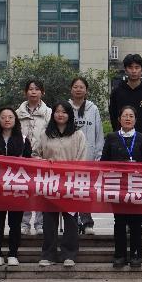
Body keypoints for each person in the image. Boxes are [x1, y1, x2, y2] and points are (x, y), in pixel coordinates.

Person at [34, 101, 88, 268]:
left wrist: (72, 171)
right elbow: (35, 155)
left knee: (71, 219)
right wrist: (44, 161)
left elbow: (82, 158)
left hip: (71, 181)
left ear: (70, 115)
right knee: (49, 220)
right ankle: (48, 254)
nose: (60, 114)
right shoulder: (45, 134)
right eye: (57, 111)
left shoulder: (78, 135)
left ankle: (69, 254)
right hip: (50, 182)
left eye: (64, 112)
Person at [110, 53, 142, 234]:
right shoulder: (117, 91)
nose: (133, 71)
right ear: (125, 69)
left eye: (137, 67)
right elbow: (113, 116)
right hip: (121, 143)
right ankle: (122, 221)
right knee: (122, 184)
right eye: (130, 67)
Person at [102, 106, 142, 269]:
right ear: (119, 119)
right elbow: (104, 162)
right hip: (117, 185)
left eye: (131, 116)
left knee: (136, 221)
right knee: (119, 221)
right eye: (125, 116)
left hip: (137, 185)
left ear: (135, 120)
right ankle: (119, 254)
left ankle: (136, 254)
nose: (128, 119)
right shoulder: (111, 137)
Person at [0, 107, 31, 267]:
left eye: (10, 117)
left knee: (15, 223)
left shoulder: (24, 140)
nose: (7, 120)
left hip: (17, 187)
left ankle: (13, 253)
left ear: (15, 120)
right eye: (3, 117)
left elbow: (29, 163)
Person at [69, 76, 104, 236]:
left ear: (86, 90)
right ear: (71, 89)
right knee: (71, 191)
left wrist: (98, 156)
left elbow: (99, 134)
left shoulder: (93, 109)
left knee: (85, 191)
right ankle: (73, 223)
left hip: (88, 159)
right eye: (75, 87)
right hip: (70, 158)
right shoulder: (66, 108)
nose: (78, 89)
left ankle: (87, 222)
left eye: (81, 87)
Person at [18, 79, 51, 236]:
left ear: (42, 92)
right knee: (24, 191)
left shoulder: (49, 113)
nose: (33, 92)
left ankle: (40, 224)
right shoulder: (17, 113)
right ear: (25, 92)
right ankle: (24, 224)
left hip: (42, 158)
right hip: (23, 158)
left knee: (41, 191)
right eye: (30, 89)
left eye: (37, 89)